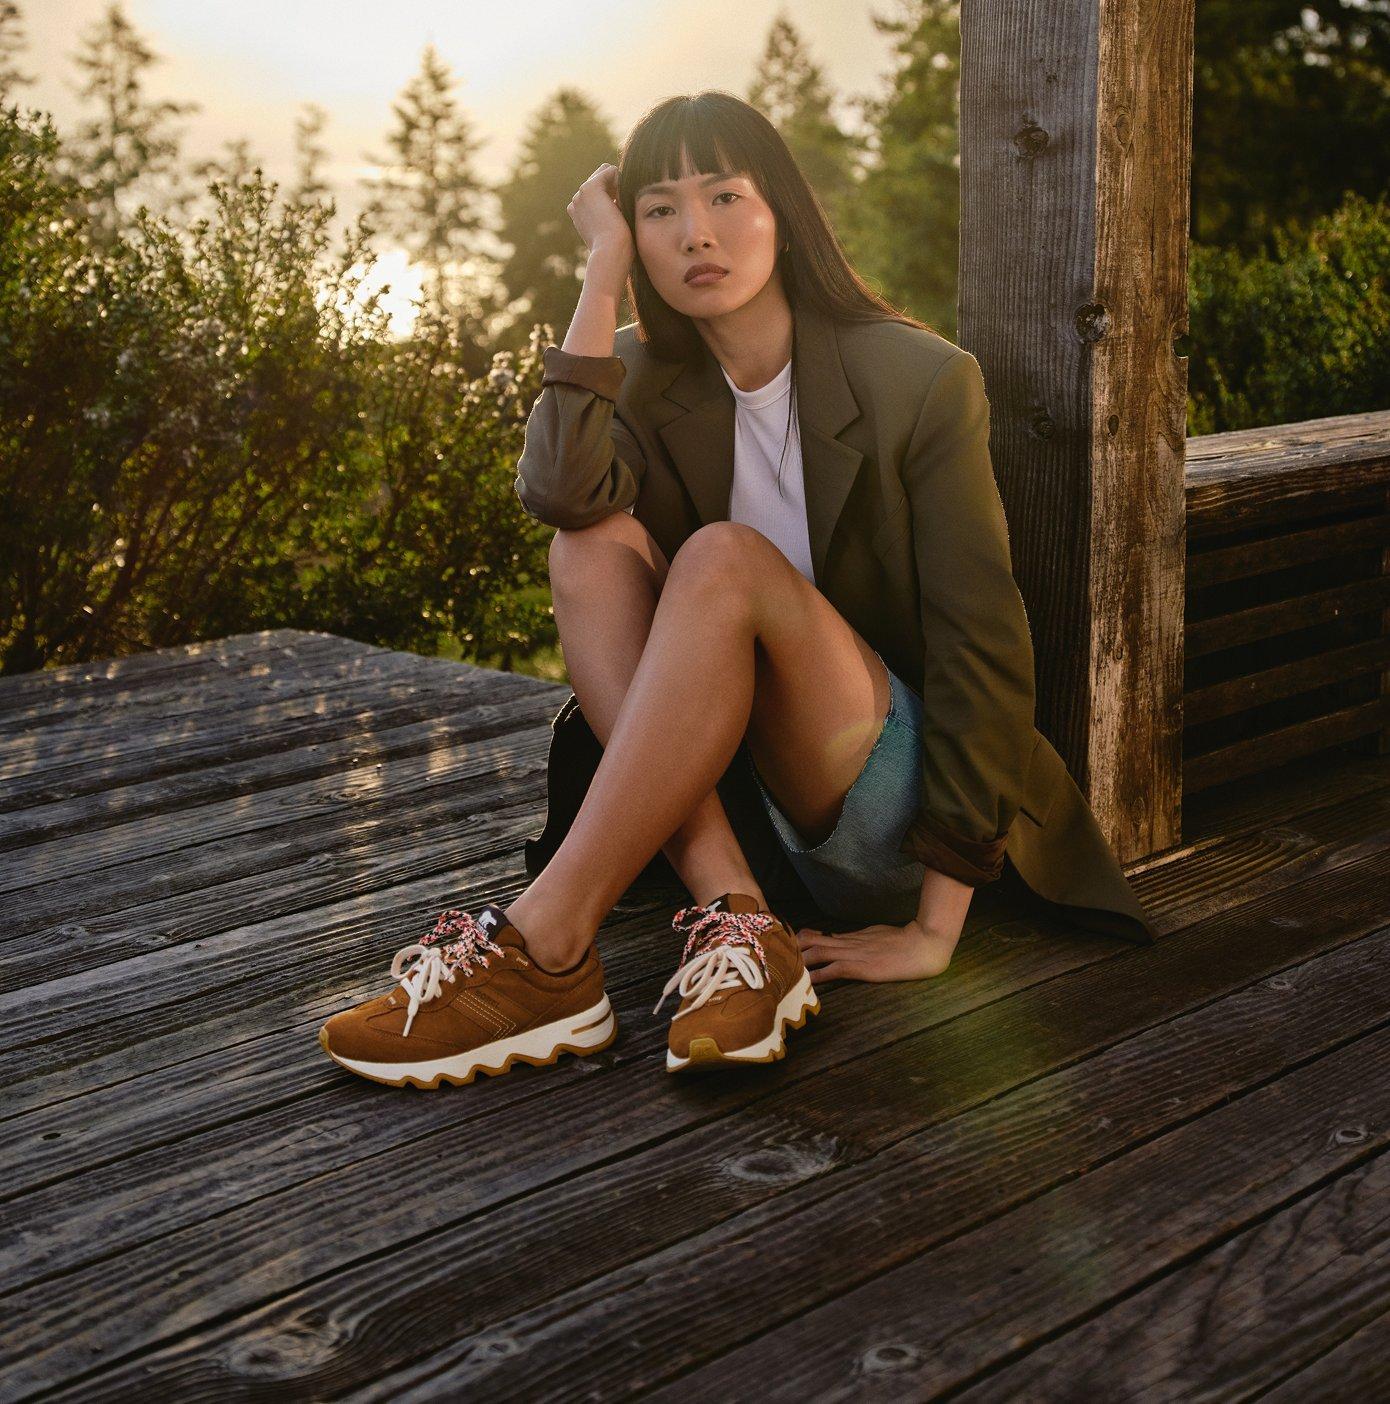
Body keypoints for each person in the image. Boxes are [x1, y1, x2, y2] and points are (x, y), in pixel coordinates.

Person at [319, 90, 1156, 1091]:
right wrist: (598, 275)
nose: (696, 232)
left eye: (724, 195)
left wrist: (936, 925)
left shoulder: (920, 379)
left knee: (720, 556)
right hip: (741, 815)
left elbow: (982, 639)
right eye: (660, 209)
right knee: (585, 547)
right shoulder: (638, 371)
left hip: (901, 808)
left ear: (782, 215)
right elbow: (558, 494)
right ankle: (738, 921)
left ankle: (545, 942)